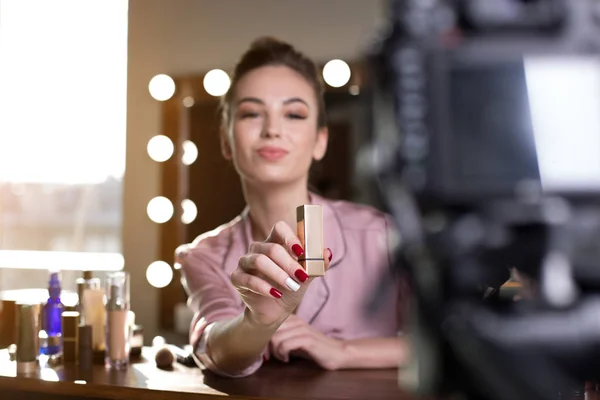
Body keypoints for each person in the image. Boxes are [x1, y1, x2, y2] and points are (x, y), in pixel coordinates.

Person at [177, 36, 410, 378]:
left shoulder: (383, 233)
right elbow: (215, 350)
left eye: (294, 114)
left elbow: (451, 342)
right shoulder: (203, 256)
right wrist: (258, 322)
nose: (272, 130)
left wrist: (342, 351)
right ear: (227, 142)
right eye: (252, 113)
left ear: (320, 141)